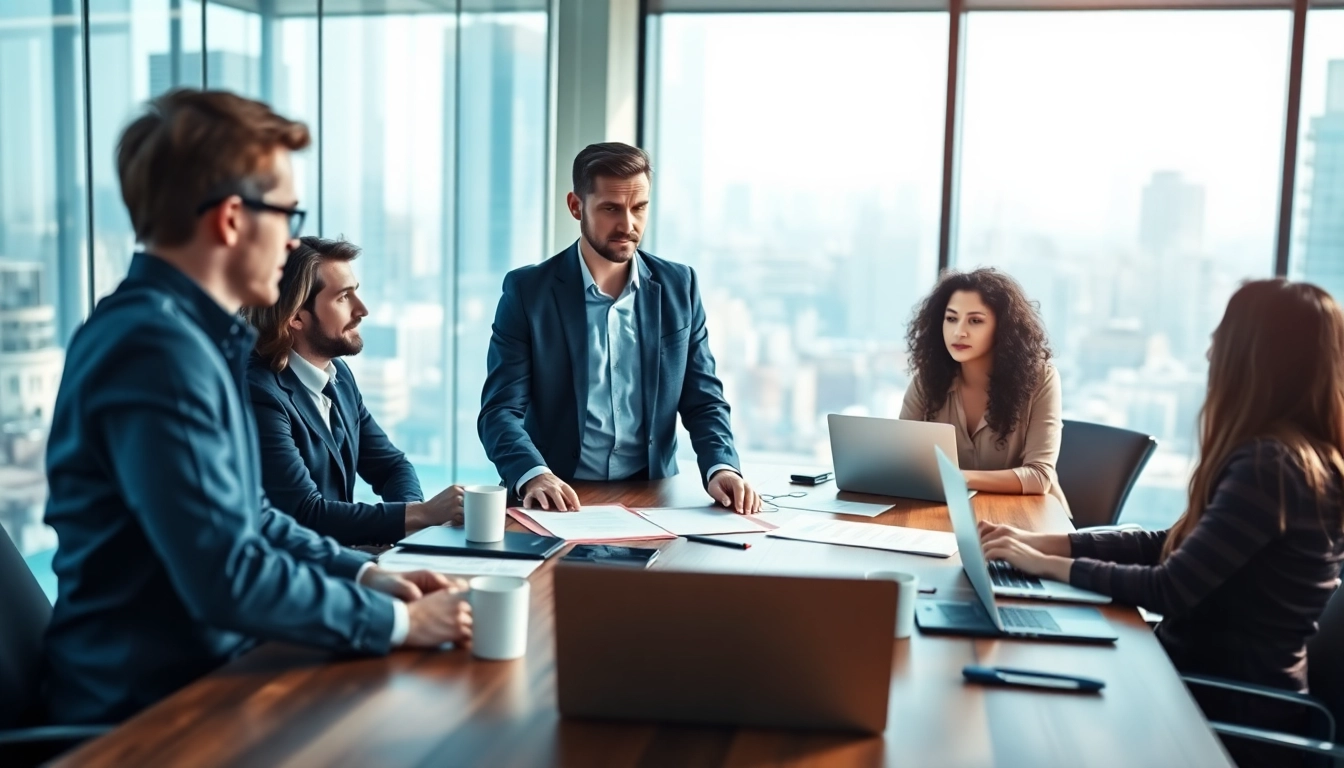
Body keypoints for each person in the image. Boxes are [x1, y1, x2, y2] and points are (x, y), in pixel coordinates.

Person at [41, 89, 472, 726]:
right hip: (146, 714)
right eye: (288, 216)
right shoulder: (156, 350)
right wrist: (400, 622)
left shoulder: (188, 338)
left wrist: (364, 578)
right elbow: (227, 571)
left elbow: (254, 519)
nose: (295, 242)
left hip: (208, 676)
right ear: (233, 220)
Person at [980, 279, 1344, 768]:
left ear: (1255, 358)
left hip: (1225, 711)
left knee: (1016, 715)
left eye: (1224, 335)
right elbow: (1169, 543)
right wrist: (1048, 543)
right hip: (1203, 685)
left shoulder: (1272, 467)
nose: (1212, 350)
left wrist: (1043, 564)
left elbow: (1170, 588)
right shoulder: (1294, 458)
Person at [478, 142, 760, 513]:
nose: (628, 225)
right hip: (558, 499)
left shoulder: (679, 287)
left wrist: (722, 467)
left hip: (652, 498)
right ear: (576, 206)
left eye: (639, 208)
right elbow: (499, 411)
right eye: (611, 208)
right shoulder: (528, 293)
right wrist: (533, 474)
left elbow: (703, 400)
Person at [243, 236, 464, 546]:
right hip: (301, 573)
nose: (362, 310)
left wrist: (413, 524)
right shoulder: (258, 392)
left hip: (346, 557)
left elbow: (392, 467)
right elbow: (304, 514)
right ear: (295, 317)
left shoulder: (338, 376)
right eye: (343, 297)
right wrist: (422, 514)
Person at [900, 268, 1067, 512]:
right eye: (951, 318)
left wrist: (956, 478)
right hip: (950, 513)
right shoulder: (927, 381)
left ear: (1002, 328)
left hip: (1030, 519)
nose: (959, 332)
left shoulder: (1041, 379)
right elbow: (901, 463)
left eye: (975, 321)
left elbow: (1039, 477)